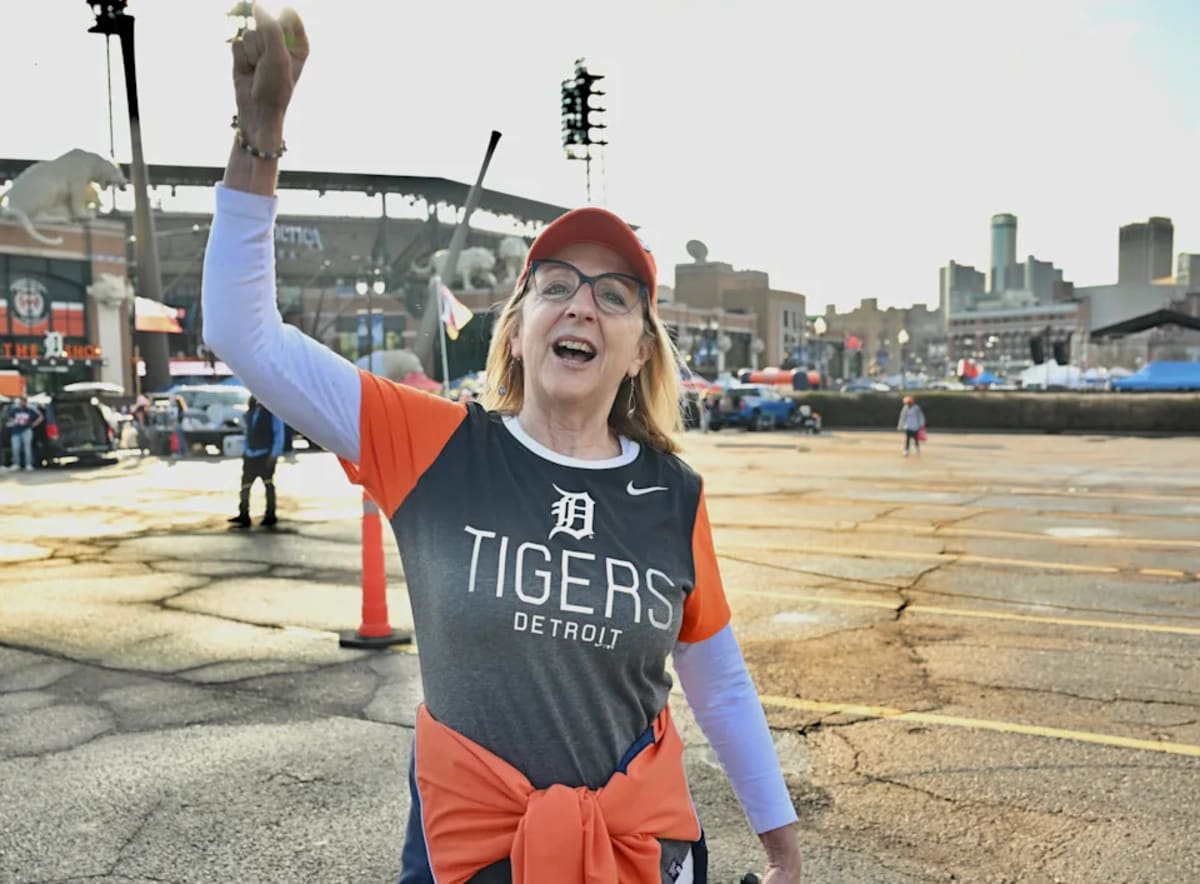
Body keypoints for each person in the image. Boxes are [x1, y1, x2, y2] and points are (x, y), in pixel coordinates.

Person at [201, 9, 802, 883]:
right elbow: (244, 332)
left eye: (614, 295)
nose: (582, 305)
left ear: (641, 351)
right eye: (555, 285)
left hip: (639, 853)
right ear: (516, 331)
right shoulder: (433, 446)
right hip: (468, 855)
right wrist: (260, 136)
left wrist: (783, 848)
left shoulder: (674, 496)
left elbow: (718, 680)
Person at [228, 395, 284, 528]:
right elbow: (248, 433)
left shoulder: (272, 414)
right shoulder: (251, 413)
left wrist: (274, 454)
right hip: (250, 455)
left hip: (265, 455)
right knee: (245, 486)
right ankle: (243, 514)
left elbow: (279, 434)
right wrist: (245, 450)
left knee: (268, 485)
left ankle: (270, 515)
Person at [6, 395, 43, 471]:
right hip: (16, 431)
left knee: (27, 448)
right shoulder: (15, 410)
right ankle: (16, 464)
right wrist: (12, 422)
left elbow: (40, 417)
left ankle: (28, 464)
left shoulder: (30, 410)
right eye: (21, 401)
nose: (22, 403)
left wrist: (33, 424)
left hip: (26, 430)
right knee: (15, 448)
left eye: (24, 401)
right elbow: (10, 418)